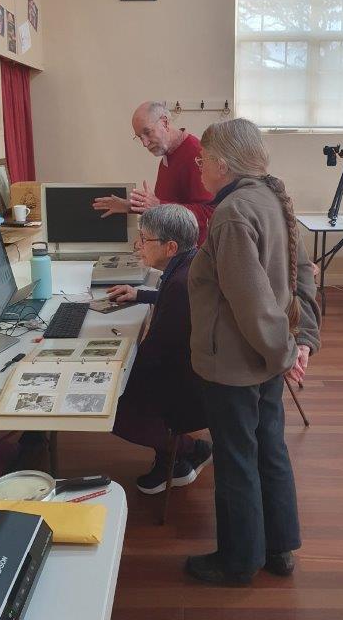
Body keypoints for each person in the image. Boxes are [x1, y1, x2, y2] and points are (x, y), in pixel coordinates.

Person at [185, 118, 321, 586]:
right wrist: (299, 344)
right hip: (264, 360)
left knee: (237, 461)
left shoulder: (233, 212)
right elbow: (303, 277)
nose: (199, 168)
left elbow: (253, 304)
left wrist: (288, 351)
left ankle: (238, 561)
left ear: (222, 164)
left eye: (203, 160)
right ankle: (278, 549)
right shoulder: (270, 200)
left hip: (236, 366)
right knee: (269, 451)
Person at [112, 204, 212, 494]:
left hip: (192, 389)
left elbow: (155, 353)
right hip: (194, 372)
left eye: (144, 239)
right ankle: (174, 459)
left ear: (170, 247)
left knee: (108, 406)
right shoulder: (187, 264)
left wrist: (116, 366)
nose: (138, 245)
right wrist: (139, 294)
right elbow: (169, 300)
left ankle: (189, 448)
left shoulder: (181, 284)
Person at [92, 101, 214, 244]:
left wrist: (159, 206)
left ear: (165, 123)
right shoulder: (168, 154)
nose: (145, 143)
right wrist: (132, 207)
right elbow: (170, 206)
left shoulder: (195, 154)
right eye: (139, 137)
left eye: (147, 132)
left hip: (192, 257)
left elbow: (210, 214)